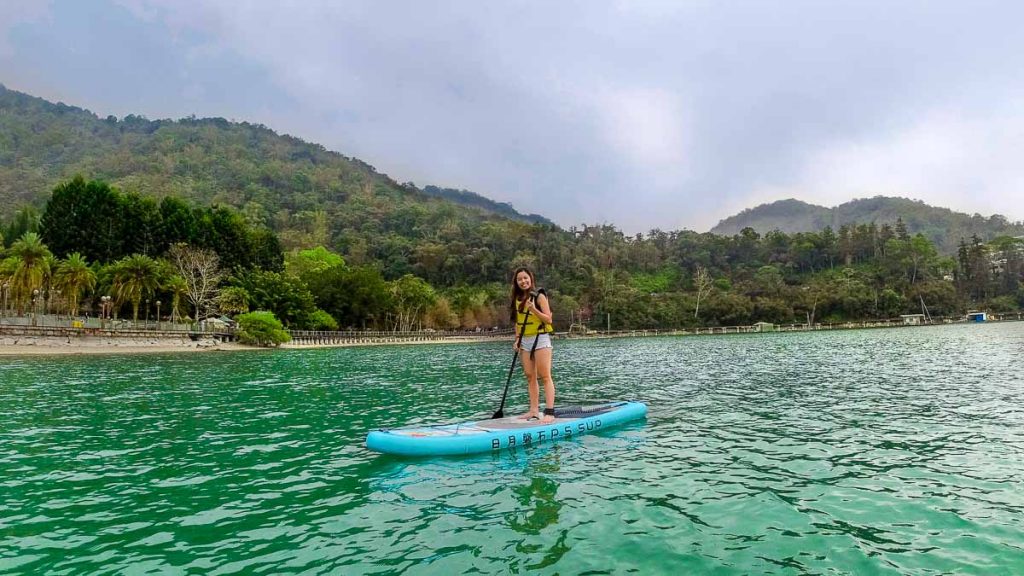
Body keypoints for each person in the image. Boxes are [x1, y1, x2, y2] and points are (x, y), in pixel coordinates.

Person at [510, 267, 556, 423]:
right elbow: (518, 322)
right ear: (516, 282)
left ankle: (549, 411)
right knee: (530, 376)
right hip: (525, 341)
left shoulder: (539, 296)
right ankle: (534, 410)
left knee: (545, 376)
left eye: (525, 278)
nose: (523, 281)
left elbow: (548, 319)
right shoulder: (516, 298)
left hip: (541, 339)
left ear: (531, 278)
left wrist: (533, 309)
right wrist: (517, 339)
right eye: (519, 279)